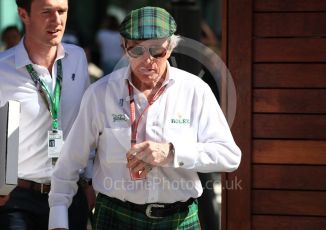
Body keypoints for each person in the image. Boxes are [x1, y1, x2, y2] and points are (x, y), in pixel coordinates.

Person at [49, 6, 241, 230]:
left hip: (178, 219)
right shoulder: (100, 94)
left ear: (170, 48)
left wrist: (171, 153)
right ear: (123, 48)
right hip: (115, 216)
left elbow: (230, 156)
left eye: (156, 51)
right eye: (136, 51)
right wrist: (58, 222)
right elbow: (69, 163)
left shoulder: (195, 91)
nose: (147, 60)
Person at [0, 0, 95, 229]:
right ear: (24, 14)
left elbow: (89, 122)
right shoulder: (3, 69)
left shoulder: (77, 58)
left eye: (62, 11)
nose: (57, 20)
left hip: (71, 193)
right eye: (46, 12)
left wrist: (90, 181)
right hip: (19, 198)